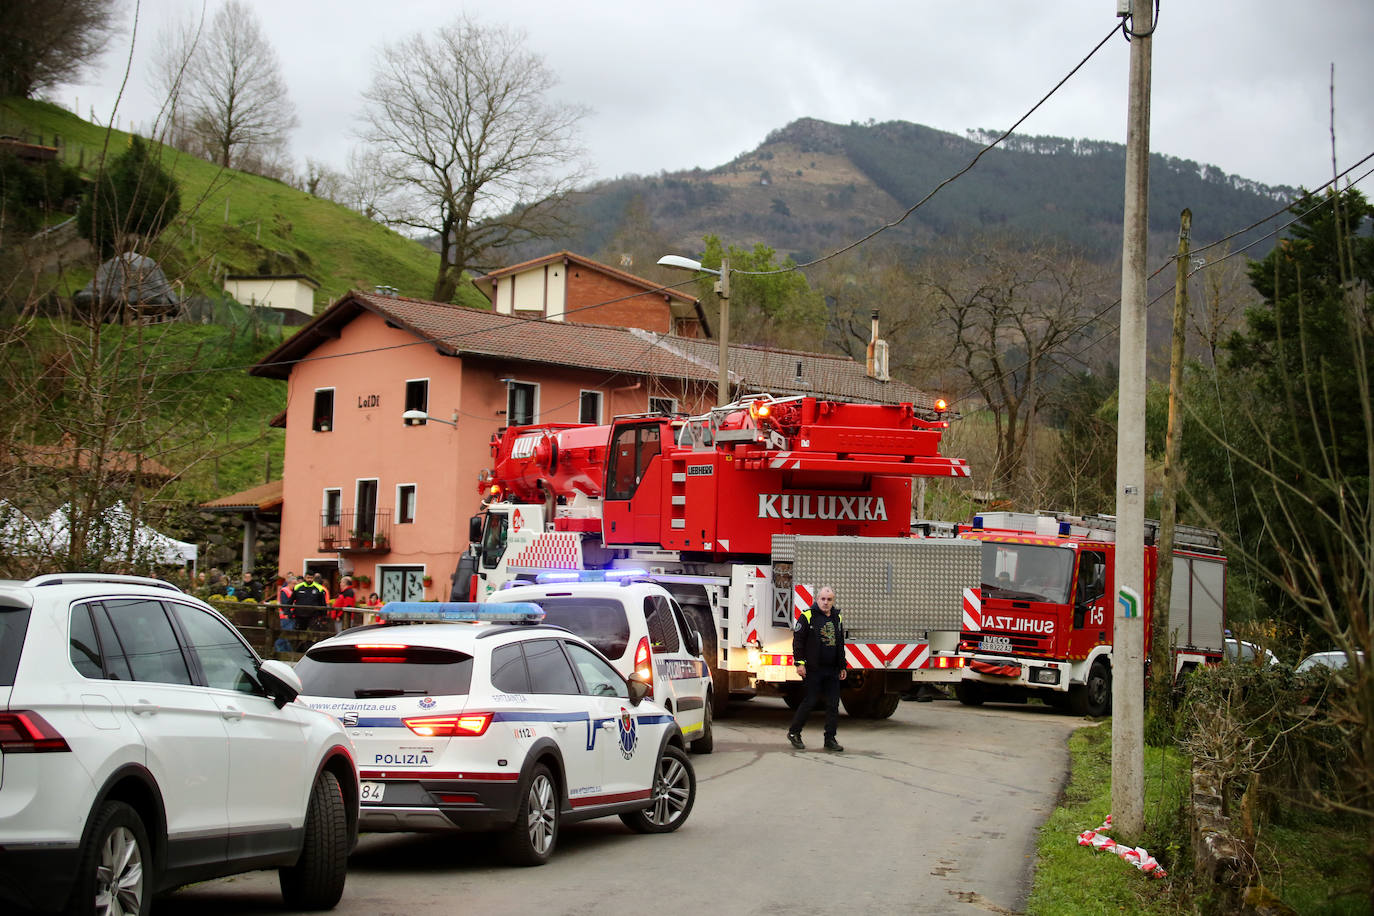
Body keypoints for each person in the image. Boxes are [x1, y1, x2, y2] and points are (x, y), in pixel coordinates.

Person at [786, 586, 848, 752]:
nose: (826, 603)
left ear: (833, 601)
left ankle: (830, 738)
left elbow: (840, 643)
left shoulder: (837, 617)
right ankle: (794, 733)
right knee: (811, 701)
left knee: (833, 704)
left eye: (829, 600)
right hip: (814, 669)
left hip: (832, 669)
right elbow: (798, 641)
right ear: (817, 599)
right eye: (823, 599)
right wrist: (799, 663)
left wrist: (842, 665)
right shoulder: (807, 616)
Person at [274, 573, 299, 652]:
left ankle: (285, 652)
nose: (295, 585)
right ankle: (279, 649)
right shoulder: (285, 591)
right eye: (294, 583)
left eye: (296, 583)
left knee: (288, 635)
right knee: (286, 635)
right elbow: (284, 604)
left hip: (291, 616)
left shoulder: (292, 591)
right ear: (289, 583)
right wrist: (287, 614)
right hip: (286, 617)